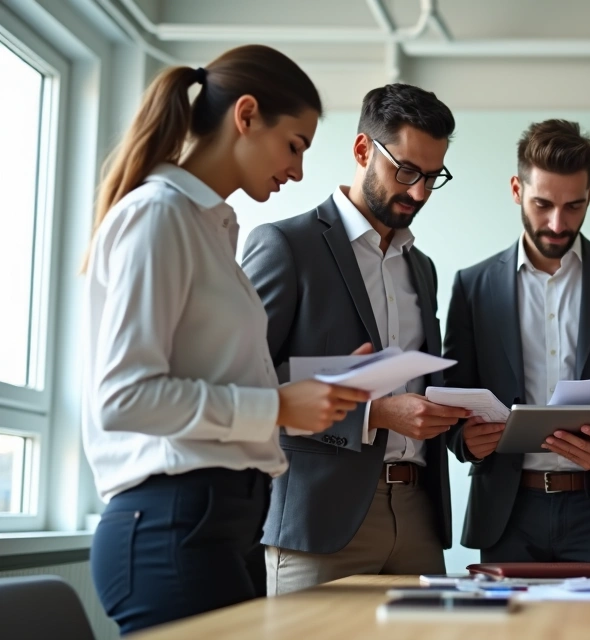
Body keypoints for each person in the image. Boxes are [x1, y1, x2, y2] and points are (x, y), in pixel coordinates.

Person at [84, 45, 368, 634]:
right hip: (172, 523)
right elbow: (123, 398)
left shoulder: (211, 230)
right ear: (245, 115)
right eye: (294, 144)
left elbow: (210, 378)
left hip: (225, 520)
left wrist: (305, 393)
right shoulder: (158, 216)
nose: (297, 171)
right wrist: (279, 405)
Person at [241, 84, 471, 595]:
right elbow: (243, 382)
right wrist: (375, 413)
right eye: (406, 171)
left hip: (417, 517)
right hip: (319, 523)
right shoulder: (285, 246)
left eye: (433, 177)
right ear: (363, 150)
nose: (419, 193)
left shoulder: (423, 268)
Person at [442, 119, 590, 571]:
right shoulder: (473, 286)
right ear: (515, 189)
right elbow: (451, 392)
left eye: (574, 205)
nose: (557, 222)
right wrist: (464, 439)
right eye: (543, 203)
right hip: (507, 512)